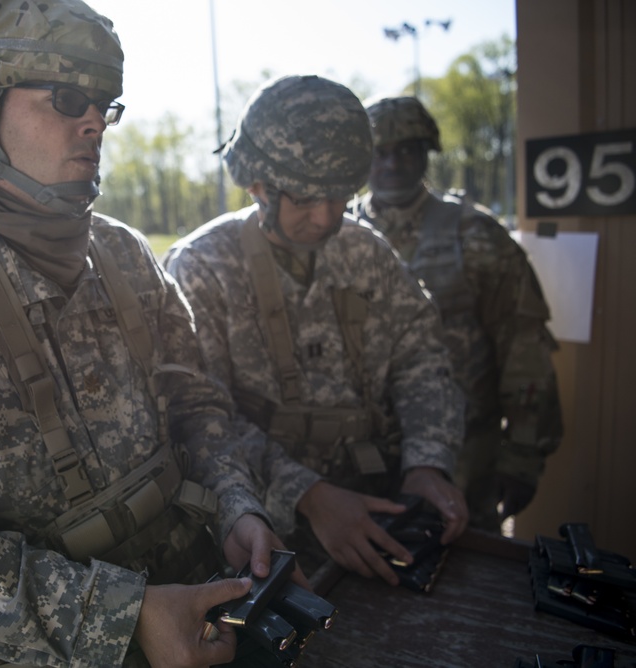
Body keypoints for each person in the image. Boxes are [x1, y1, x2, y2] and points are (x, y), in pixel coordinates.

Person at [0, 2, 294, 666]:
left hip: (202, 612)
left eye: (103, 104)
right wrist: (122, 619)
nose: (94, 120)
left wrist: (238, 506)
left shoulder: (124, 255)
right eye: (67, 98)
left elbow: (197, 408)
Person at [164, 75, 469, 586]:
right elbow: (201, 418)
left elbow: (423, 360)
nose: (327, 217)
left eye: (342, 194)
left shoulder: (365, 250)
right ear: (255, 182)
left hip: (383, 499)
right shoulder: (204, 268)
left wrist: (427, 463)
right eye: (304, 197)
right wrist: (309, 495)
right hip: (272, 528)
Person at [354, 95, 564, 532]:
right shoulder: (337, 233)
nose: (391, 164)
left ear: (425, 154)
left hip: (462, 458)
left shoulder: (473, 235)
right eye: (380, 152)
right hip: (361, 461)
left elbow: (523, 346)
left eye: (406, 151)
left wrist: (523, 454)